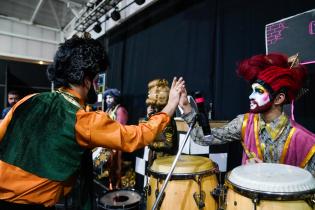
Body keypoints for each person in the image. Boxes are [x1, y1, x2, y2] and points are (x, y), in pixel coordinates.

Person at [0, 33, 185, 210]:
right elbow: (135, 136)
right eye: (97, 80)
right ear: (86, 80)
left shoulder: (28, 100)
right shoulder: (82, 119)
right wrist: (170, 106)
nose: (97, 86)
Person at [179, 53, 315, 176]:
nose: (251, 96)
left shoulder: (305, 141)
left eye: (259, 91)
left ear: (279, 98)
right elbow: (204, 139)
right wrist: (186, 108)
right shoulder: (244, 123)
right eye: (252, 90)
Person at [93, 88, 128, 189]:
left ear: (115, 98)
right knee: (108, 166)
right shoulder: (108, 110)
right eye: (107, 98)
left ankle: (117, 188)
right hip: (108, 142)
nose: (108, 100)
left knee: (117, 166)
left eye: (110, 98)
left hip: (117, 143)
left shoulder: (120, 110)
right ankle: (109, 186)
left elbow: (120, 129)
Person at [142, 79, 178, 166]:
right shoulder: (156, 116)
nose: (148, 94)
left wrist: (150, 144)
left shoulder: (166, 120)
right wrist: (148, 116)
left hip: (164, 162)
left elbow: (168, 144)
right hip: (155, 160)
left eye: (150, 92)